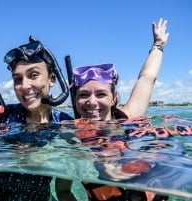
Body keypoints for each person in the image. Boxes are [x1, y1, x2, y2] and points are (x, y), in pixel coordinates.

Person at [57, 18, 169, 201]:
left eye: (101, 94)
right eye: (83, 95)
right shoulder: (70, 137)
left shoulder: (128, 118)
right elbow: (62, 191)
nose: (91, 102)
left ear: (114, 98)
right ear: (75, 101)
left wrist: (158, 44)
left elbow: (147, 78)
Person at [0, 39, 76, 200]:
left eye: (33, 75)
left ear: (52, 78)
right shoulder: (4, 118)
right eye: (17, 79)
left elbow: (63, 191)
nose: (24, 85)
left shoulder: (66, 125)